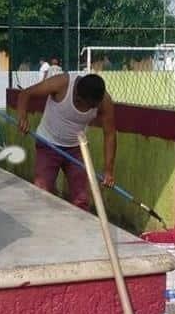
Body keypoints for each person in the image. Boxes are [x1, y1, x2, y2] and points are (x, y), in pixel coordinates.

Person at [16, 73, 116, 211]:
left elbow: (110, 134)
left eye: (94, 106)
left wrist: (108, 170)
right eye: (89, 105)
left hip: (76, 149)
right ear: (78, 96)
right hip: (48, 144)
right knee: (42, 192)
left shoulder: (104, 101)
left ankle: (79, 228)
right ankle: (41, 225)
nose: (91, 108)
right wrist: (22, 117)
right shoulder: (62, 83)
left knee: (81, 199)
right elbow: (25, 94)